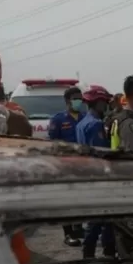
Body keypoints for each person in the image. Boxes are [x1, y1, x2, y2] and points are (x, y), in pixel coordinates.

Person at [76, 85, 116, 259]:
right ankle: (94, 255)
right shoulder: (95, 124)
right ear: (97, 102)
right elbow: (101, 152)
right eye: (104, 102)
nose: (106, 105)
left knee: (102, 221)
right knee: (101, 221)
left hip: (88, 175)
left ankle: (92, 255)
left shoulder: (82, 122)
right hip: (100, 177)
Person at [48, 86, 85, 246]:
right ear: (67, 100)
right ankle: (68, 233)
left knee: (80, 199)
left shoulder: (85, 117)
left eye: (80, 98)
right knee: (67, 200)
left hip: (84, 164)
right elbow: (53, 144)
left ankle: (78, 227)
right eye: (75, 98)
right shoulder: (58, 119)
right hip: (65, 165)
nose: (79, 101)